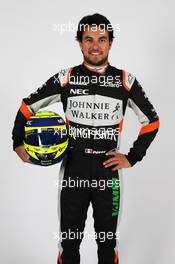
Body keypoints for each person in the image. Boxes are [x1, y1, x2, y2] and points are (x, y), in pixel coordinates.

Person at [12, 13, 160, 264]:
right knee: (69, 243)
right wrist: (18, 141)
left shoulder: (125, 81)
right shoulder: (66, 78)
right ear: (79, 42)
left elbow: (152, 121)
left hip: (108, 172)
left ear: (110, 43)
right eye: (88, 39)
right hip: (73, 168)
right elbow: (27, 107)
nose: (95, 45)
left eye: (102, 39)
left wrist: (132, 157)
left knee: (107, 244)